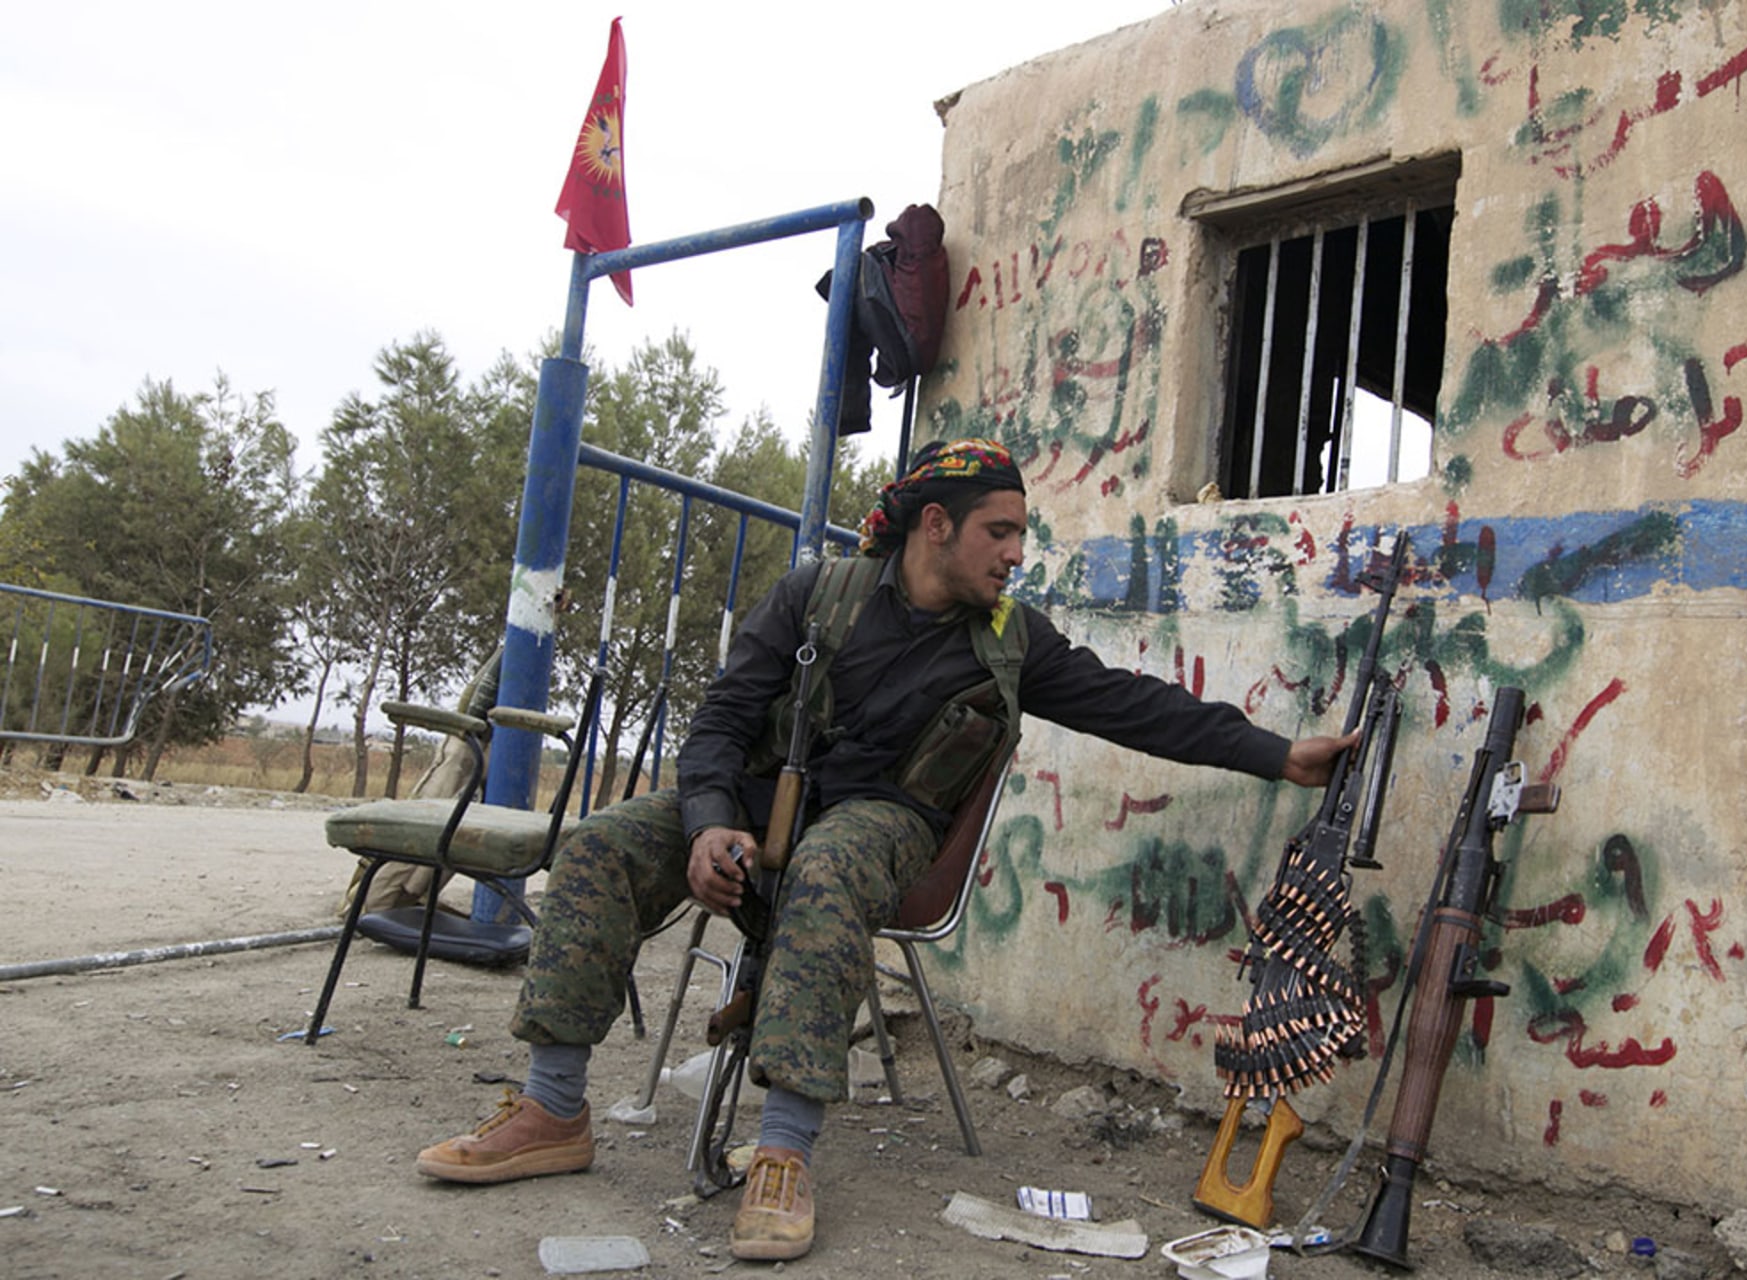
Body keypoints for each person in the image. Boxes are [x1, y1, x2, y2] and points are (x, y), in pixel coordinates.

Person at [414, 438, 1358, 1261]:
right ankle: (552, 1110)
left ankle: (782, 1155)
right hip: (749, 803)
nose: (1017, 554)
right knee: (599, 846)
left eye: (1022, 535)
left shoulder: (1011, 642)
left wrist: (1279, 754)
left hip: (887, 823)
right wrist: (707, 823)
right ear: (936, 526)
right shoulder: (814, 595)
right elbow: (719, 722)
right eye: (1001, 531)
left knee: (826, 870)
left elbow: (1136, 707)